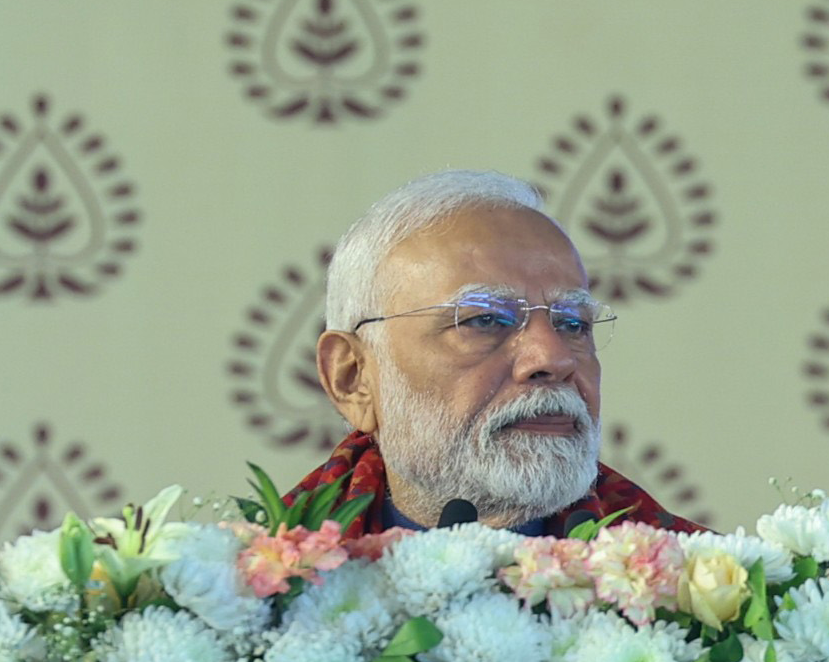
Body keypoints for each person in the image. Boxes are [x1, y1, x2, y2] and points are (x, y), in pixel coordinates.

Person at [289, 170, 699, 535]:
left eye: (573, 324)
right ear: (353, 377)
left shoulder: (717, 599)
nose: (553, 359)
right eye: (485, 320)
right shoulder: (246, 595)